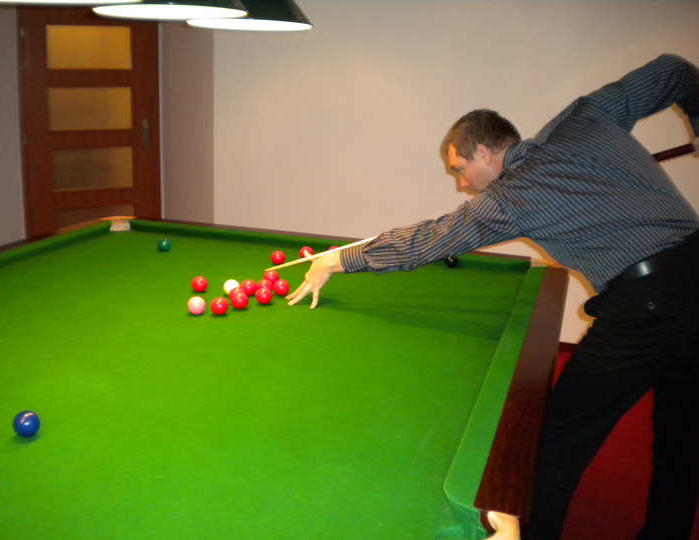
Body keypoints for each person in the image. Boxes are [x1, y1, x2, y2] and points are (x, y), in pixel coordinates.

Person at [286, 53, 699, 540]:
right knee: (684, 434)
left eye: (460, 169)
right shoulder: (585, 117)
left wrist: (339, 259)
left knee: (553, 447)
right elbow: (674, 70)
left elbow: (430, 240)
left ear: (484, 152)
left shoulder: (510, 198)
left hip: (646, 307)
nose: (463, 185)